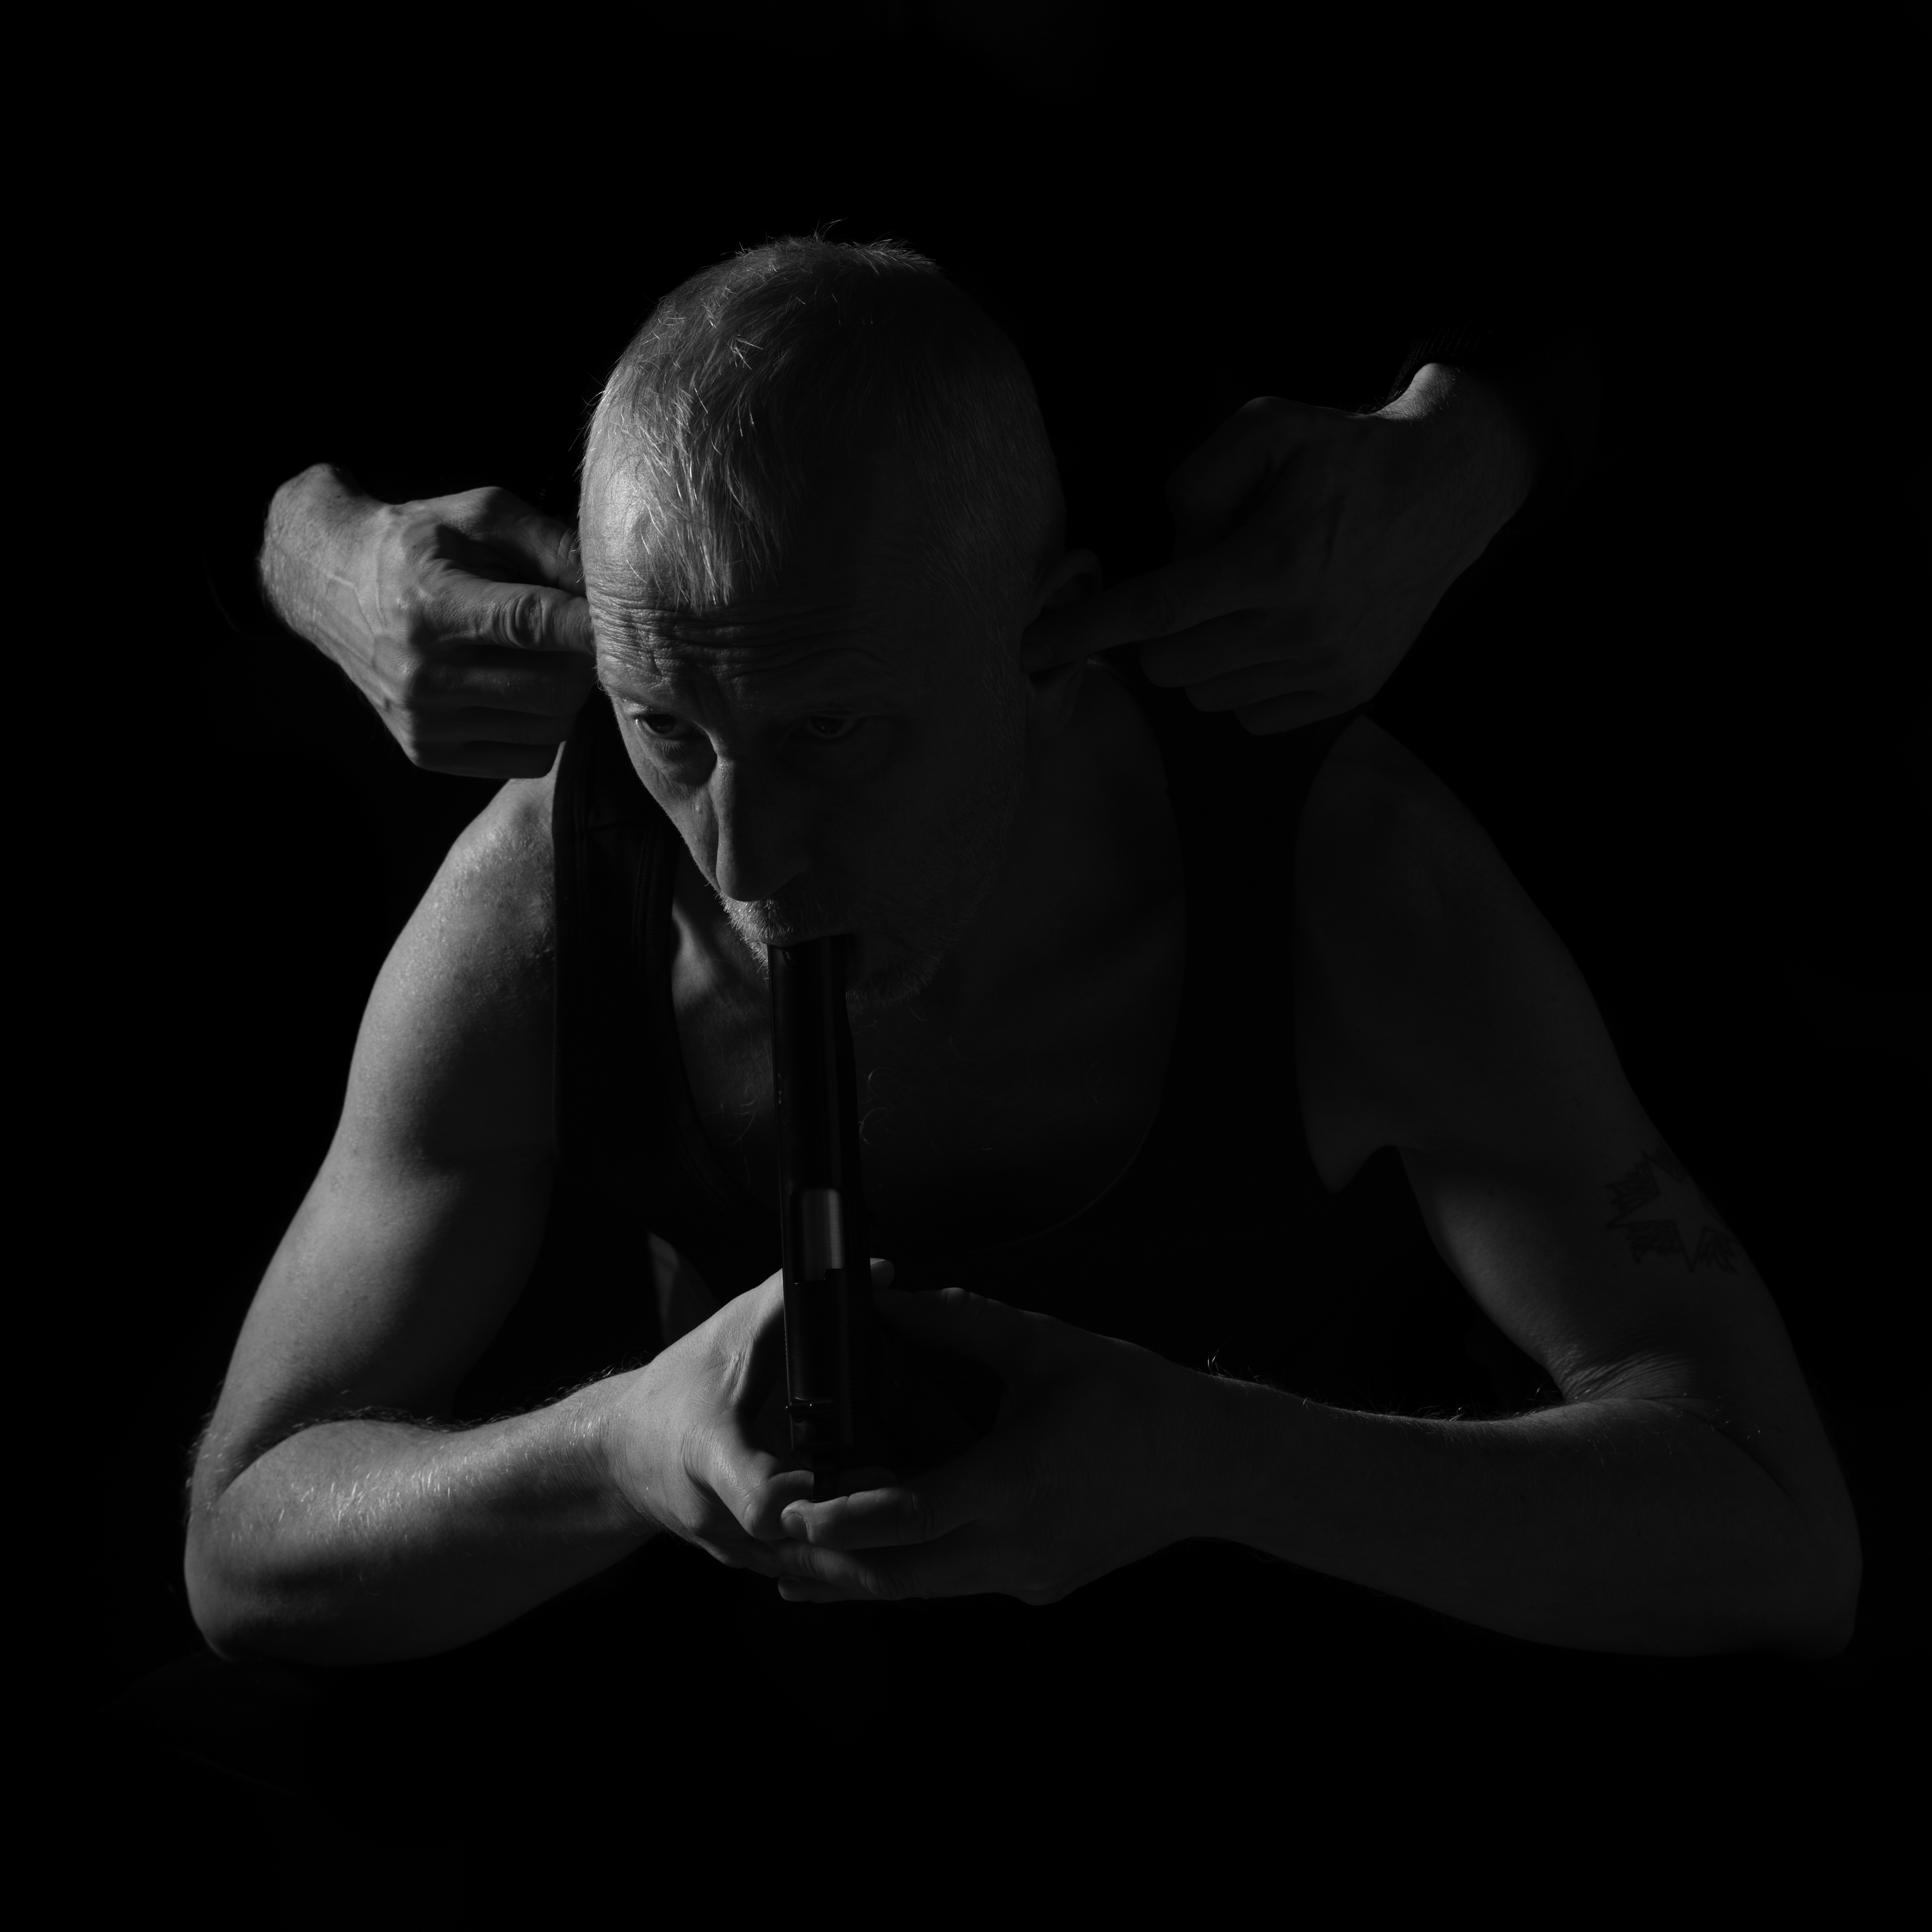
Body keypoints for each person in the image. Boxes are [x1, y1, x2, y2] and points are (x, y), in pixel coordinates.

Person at [162, 238, 1855, 1819]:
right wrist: (616, 1448)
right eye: (669, 725)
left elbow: (1779, 1539)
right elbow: (245, 1546)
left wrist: (1216, 1459)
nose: (745, 861)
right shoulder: (546, 900)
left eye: (833, 732)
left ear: (1047, 642)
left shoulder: (1341, 881)